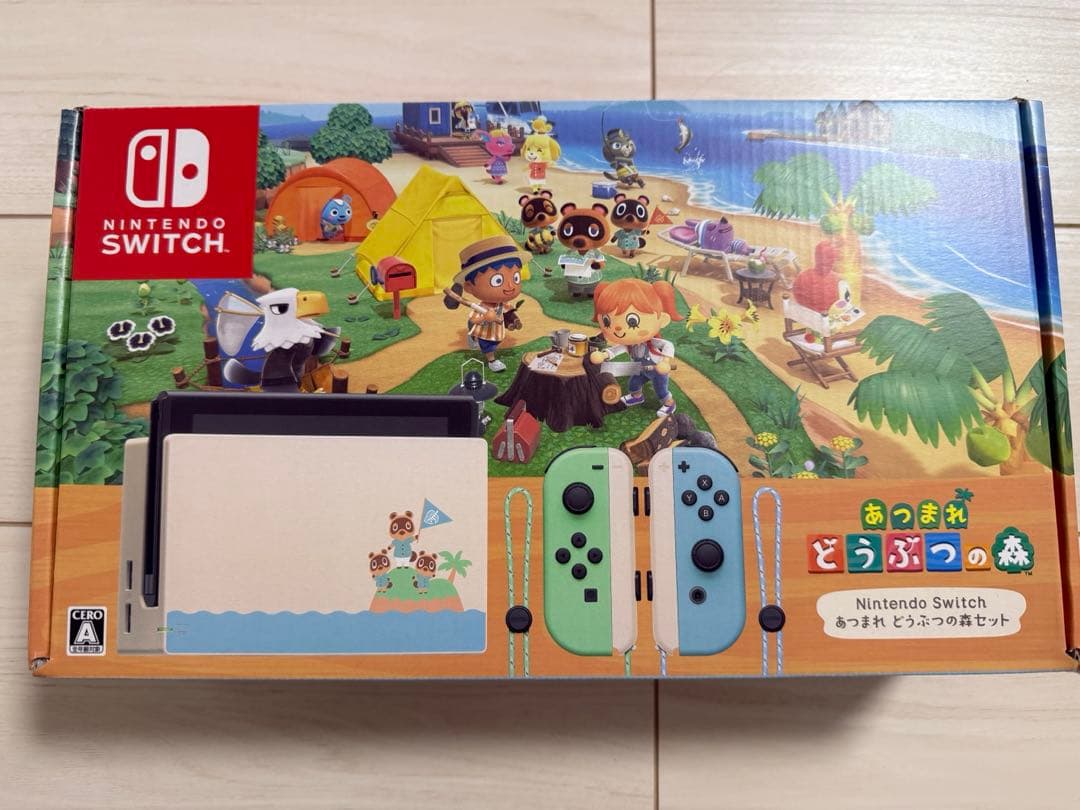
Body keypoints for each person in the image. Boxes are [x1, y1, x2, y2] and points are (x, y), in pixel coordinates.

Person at [589, 277, 683, 416]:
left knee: (661, 390)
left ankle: (669, 404)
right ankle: (637, 396)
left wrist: (665, 361)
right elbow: (617, 349)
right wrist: (604, 354)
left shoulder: (651, 342)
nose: (618, 328)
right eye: (607, 322)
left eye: (632, 322)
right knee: (634, 383)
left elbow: (668, 345)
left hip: (657, 371)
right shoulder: (629, 344)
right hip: (640, 369)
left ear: (662, 320)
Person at [444, 234, 528, 372]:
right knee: (488, 345)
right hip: (486, 331)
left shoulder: (501, 303)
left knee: (496, 340)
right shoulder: (482, 307)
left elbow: (506, 309)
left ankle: (473, 336)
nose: (510, 286)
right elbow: (473, 319)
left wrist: (512, 315)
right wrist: (485, 317)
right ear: (469, 287)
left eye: (516, 278)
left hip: (497, 330)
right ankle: (491, 360)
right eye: (497, 281)